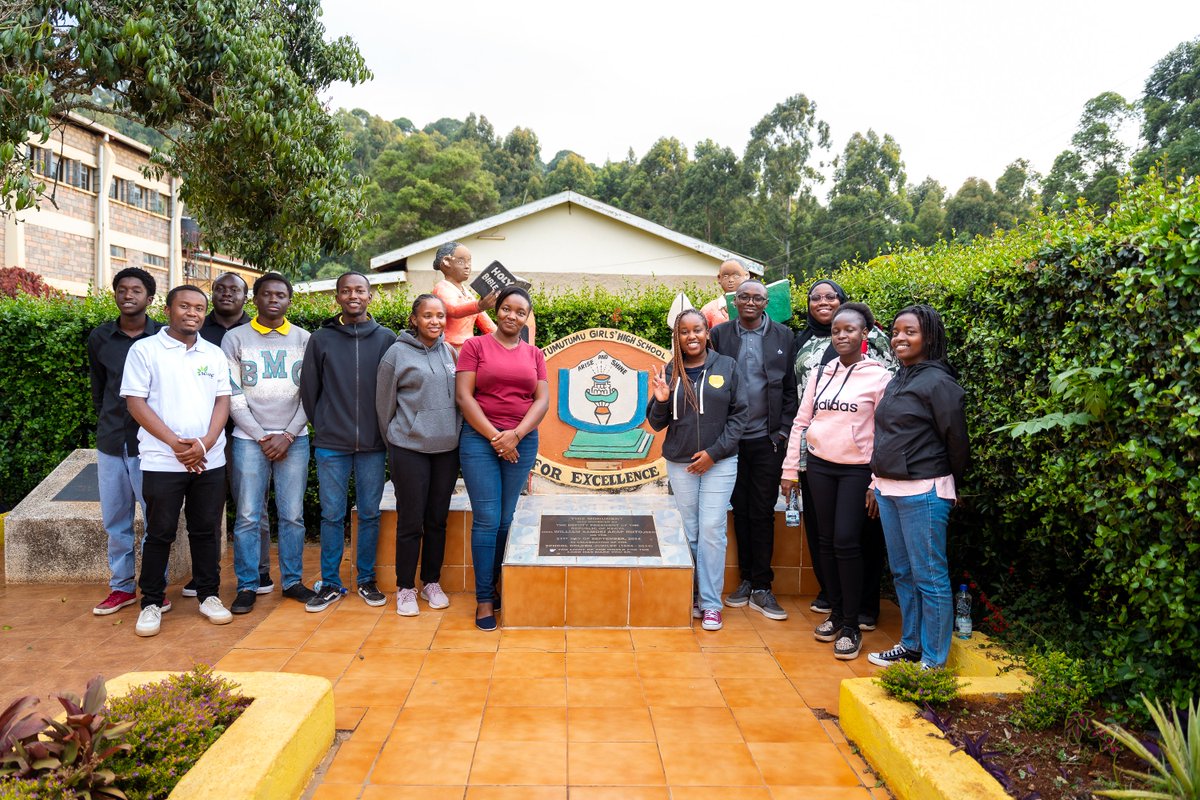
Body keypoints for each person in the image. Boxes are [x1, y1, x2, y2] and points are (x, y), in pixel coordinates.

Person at [781, 303, 892, 660]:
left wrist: (876, 481)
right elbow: (801, 422)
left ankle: (852, 626)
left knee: (846, 541)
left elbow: (886, 432)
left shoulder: (880, 377)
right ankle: (839, 613)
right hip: (820, 467)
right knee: (826, 542)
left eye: (849, 330)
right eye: (836, 331)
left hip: (857, 470)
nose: (841, 336)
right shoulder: (821, 373)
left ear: (865, 334)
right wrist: (790, 469)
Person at [122, 285, 233, 637]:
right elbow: (136, 403)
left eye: (199, 308)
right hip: (161, 461)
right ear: (168, 310)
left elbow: (223, 400)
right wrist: (176, 445)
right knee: (159, 532)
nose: (192, 313)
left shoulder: (213, 353)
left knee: (206, 530)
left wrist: (206, 443)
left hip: (209, 460)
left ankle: (209, 596)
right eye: (184, 306)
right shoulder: (145, 350)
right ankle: (152, 602)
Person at [867, 305, 969, 670]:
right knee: (903, 574)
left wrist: (953, 484)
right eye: (896, 332)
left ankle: (933, 661)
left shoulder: (940, 383)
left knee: (929, 577)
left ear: (930, 337)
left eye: (910, 332)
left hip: (924, 491)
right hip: (889, 490)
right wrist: (876, 482)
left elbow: (956, 441)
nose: (899, 338)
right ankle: (911, 646)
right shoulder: (900, 377)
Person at [300, 271, 397, 613]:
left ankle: (366, 579)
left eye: (359, 290)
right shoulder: (321, 339)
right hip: (332, 445)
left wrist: (383, 430)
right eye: (346, 291)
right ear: (338, 297)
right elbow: (309, 390)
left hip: (374, 444)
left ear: (370, 296)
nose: (353, 295)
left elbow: (394, 389)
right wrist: (326, 424)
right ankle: (330, 583)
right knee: (331, 515)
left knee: (369, 513)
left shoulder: (387, 338)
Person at [455, 286, 549, 631]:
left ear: (526, 318)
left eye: (520, 312)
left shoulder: (534, 354)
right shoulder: (475, 346)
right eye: (507, 308)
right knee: (487, 519)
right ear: (497, 311)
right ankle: (484, 598)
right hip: (479, 441)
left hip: (521, 443)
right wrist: (497, 437)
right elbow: (464, 397)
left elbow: (542, 400)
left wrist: (516, 435)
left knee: (506, 519)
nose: (513, 316)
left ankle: (495, 585)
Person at [647, 309, 747, 632]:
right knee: (689, 531)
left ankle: (711, 603)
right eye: (684, 332)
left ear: (707, 333)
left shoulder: (727, 366)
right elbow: (656, 423)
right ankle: (692, 595)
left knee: (712, 528)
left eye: (697, 330)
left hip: (720, 462)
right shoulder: (671, 370)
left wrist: (714, 454)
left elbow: (740, 417)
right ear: (677, 337)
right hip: (681, 463)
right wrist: (662, 400)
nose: (691, 336)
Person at [221, 272, 314, 614]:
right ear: (255, 298)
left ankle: (292, 581)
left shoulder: (305, 339)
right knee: (247, 515)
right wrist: (261, 435)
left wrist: (287, 434)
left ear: (289, 300)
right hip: (249, 440)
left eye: (280, 295)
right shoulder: (234, 338)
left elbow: (311, 394)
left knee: (293, 515)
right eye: (267, 294)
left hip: (294, 440)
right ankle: (248, 584)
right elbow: (232, 394)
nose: (274, 299)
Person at [709, 278, 799, 620]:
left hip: (767, 439)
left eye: (757, 298)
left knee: (762, 511)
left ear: (766, 302)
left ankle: (762, 585)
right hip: (729, 440)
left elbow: (790, 388)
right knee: (740, 510)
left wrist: (783, 431)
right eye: (743, 296)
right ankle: (746, 580)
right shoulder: (720, 335)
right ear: (735, 302)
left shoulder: (784, 336)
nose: (750, 302)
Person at [190, 271, 274, 598]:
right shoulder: (197, 330)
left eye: (234, 290)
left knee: (253, 507)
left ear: (245, 296)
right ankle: (205, 573)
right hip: (206, 433)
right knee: (207, 509)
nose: (227, 294)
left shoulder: (257, 330)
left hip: (247, 433)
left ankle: (260, 571)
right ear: (212, 293)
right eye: (221, 289)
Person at [376, 294, 461, 617]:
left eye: (440, 316)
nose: (435, 321)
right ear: (414, 319)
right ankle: (405, 588)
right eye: (428, 315)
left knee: (437, 520)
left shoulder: (449, 352)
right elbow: (383, 406)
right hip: (409, 449)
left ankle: (431, 582)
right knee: (411, 521)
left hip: (446, 450)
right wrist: (397, 440)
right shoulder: (396, 354)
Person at [88, 267, 164, 615]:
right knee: (116, 521)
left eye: (136, 290)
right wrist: (106, 422)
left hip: (151, 443)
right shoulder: (100, 338)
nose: (128, 295)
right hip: (111, 441)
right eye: (122, 289)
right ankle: (121, 587)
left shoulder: (163, 337)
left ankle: (154, 589)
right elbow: (99, 387)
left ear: (150, 298)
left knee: (155, 520)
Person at [432, 241, 498, 347]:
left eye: (469, 262)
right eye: (461, 262)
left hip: (468, 347)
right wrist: (479, 306)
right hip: (449, 347)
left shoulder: (466, 292)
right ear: (447, 262)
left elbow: (484, 321)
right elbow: (454, 310)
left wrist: (501, 338)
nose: (467, 266)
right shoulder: (442, 288)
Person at [700, 258, 750, 330]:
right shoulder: (708, 310)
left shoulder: (754, 306)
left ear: (746, 276)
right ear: (719, 278)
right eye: (725, 276)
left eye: (736, 276)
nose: (731, 280)